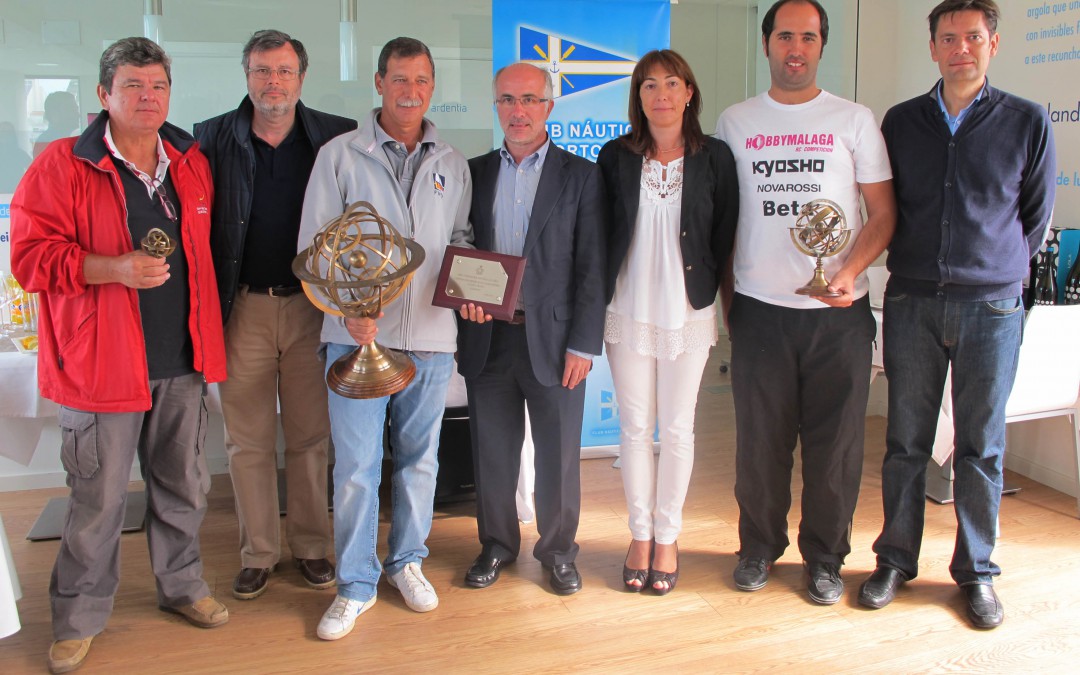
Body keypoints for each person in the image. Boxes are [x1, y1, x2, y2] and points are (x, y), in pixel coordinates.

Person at [10, 37, 229, 673]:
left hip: (181, 360)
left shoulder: (188, 160)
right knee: (98, 501)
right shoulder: (60, 164)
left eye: (157, 86)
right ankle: (77, 616)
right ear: (104, 95)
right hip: (100, 365)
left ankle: (182, 586)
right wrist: (111, 269)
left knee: (183, 487)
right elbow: (28, 259)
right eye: (132, 86)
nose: (147, 97)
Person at [858, 0, 1056, 629]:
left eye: (973, 37)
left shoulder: (1026, 120)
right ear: (934, 47)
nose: (961, 48)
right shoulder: (902, 121)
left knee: (980, 448)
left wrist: (997, 271)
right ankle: (894, 560)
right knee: (905, 443)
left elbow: (1035, 217)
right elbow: (886, 209)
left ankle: (976, 573)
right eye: (949, 38)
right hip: (913, 300)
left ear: (992, 44)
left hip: (991, 307)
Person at [715, 0, 896, 604]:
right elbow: (722, 219)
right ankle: (758, 549)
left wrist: (848, 270)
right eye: (785, 35)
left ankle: (825, 559)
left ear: (823, 47)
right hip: (761, 311)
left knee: (836, 448)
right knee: (760, 446)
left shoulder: (854, 119)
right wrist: (727, 302)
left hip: (839, 315)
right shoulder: (735, 122)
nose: (796, 47)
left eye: (809, 37)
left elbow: (883, 212)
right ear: (767, 43)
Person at [296, 36, 472, 641]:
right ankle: (355, 583)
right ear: (378, 83)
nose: (410, 91)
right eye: (399, 79)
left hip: (428, 336)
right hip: (353, 339)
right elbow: (317, 249)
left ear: (431, 88)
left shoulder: (451, 161)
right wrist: (348, 313)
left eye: (421, 80)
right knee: (356, 466)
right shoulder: (339, 155)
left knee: (421, 460)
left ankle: (407, 562)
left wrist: (476, 284)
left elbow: (463, 241)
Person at [194, 29, 356, 602]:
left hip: (314, 307)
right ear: (247, 76)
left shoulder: (336, 136)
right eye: (263, 71)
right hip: (243, 308)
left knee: (313, 436)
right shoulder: (211, 138)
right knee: (248, 441)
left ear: (301, 78)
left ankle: (312, 547)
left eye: (284, 71)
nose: (274, 82)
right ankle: (257, 553)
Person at [458, 63, 606, 596]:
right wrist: (466, 300)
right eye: (505, 100)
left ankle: (559, 552)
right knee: (493, 452)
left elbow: (593, 268)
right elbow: (463, 248)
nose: (516, 111)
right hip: (489, 338)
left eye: (528, 99)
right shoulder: (470, 172)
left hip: (557, 340)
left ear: (548, 106)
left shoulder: (582, 175)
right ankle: (496, 545)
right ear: (495, 105)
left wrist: (585, 343)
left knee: (559, 454)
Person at [597, 50, 738, 595]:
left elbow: (725, 236)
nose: (660, 94)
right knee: (634, 430)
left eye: (671, 83)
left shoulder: (716, 158)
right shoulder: (614, 156)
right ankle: (639, 535)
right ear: (638, 96)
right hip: (627, 308)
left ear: (689, 93)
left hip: (689, 310)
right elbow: (602, 232)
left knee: (678, 428)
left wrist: (725, 306)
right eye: (648, 85)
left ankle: (668, 536)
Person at [33, 91, 81, 157]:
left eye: (76, 109)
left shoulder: (73, 139)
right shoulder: (44, 143)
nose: (78, 115)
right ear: (54, 115)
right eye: (71, 110)